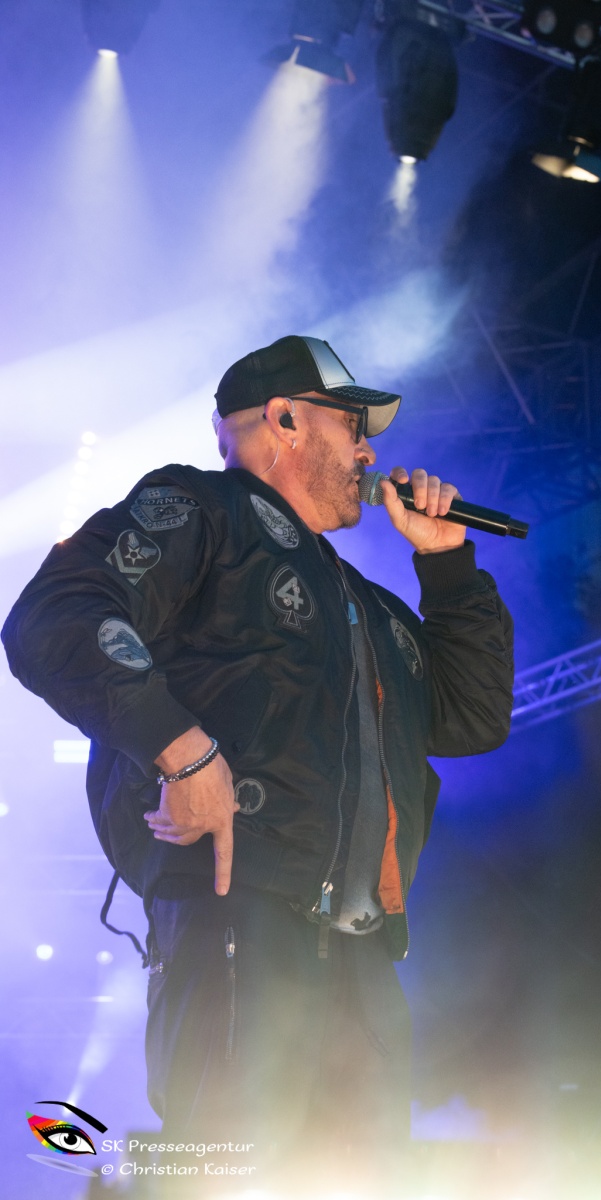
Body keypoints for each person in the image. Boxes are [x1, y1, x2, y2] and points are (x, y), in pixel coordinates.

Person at [2, 335, 514, 1195]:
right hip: (239, 922)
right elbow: (54, 616)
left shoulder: (369, 608)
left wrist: (447, 562)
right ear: (283, 420)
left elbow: (472, 716)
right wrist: (182, 748)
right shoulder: (201, 509)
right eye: (352, 425)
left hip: (362, 956)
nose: (369, 452)